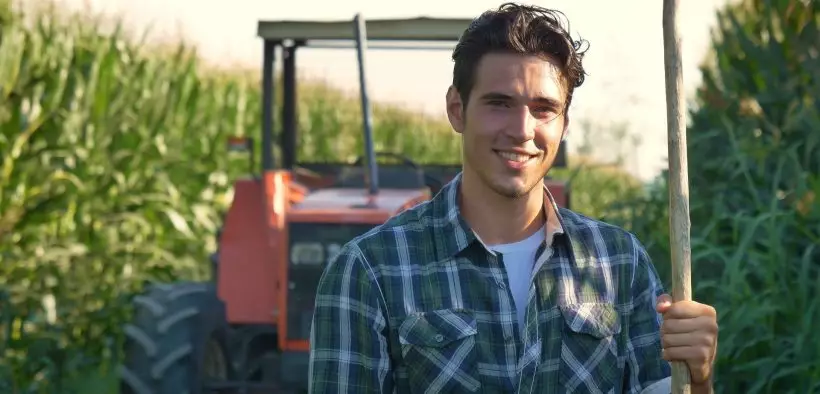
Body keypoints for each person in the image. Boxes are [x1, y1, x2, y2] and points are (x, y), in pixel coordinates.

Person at [308, 3, 719, 393]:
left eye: (543, 108)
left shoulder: (618, 262)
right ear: (457, 109)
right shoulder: (370, 270)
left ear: (564, 123)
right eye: (500, 104)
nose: (522, 129)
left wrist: (698, 379)